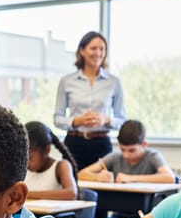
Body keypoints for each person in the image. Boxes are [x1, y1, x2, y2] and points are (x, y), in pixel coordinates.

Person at [81, 120, 175, 218]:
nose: (126, 155)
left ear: (144, 144)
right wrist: (97, 177)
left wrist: (131, 178)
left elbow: (169, 178)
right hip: (120, 217)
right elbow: (81, 174)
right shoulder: (115, 157)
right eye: (123, 149)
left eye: (131, 150)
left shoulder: (152, 157)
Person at [54, 31, 127, 170]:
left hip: (102, 144)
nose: (98, 53)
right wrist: (76, 121)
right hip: (74, 143)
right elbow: (57, 119)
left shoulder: (114, 82)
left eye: (102, 49)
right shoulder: (66, 81)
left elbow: (123, 121)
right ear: (82, 51)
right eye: (93, 48)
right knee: (73, 181)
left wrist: (106, 120)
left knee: (102, 181)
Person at [24, 121, 79, 200]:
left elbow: (71, 193)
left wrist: (26, 194)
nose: (26, 163)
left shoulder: (61, 166)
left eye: (30, 157)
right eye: (24, 158)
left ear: (47, 150)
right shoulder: (22, 168)